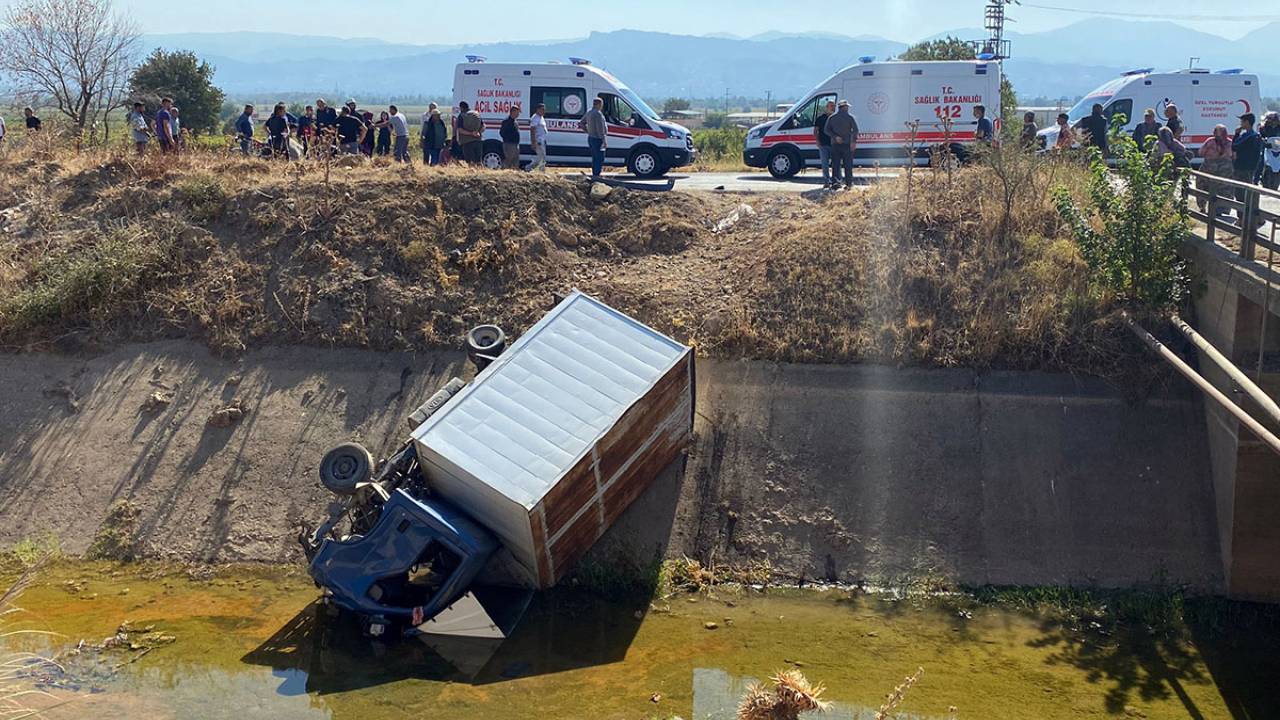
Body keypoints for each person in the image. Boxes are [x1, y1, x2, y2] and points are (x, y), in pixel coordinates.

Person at [1232, 112, 1263, 225]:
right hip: (1250, 169)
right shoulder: (1256, 136)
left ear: (1247, 122)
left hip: (1243, 169)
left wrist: (1236, 134)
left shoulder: (1248, 136)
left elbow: (1234, 146)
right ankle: (1258, 217)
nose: (1240, 123)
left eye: (1242, 121)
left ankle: (1242, 219)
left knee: (1240, 194)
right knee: (1248, 193)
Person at [1197, 124, 1234, 213]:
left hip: (1211, 168)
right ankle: (1223, 209)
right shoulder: (1230, 143)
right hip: (1224, 169)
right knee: (1225, 189)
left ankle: (1204, 207)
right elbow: (1233, 156)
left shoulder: (1210, 141)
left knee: (1204, 186)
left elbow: (1201, 152)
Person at [823, 99, 859, 190]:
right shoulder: (850, 117)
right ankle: (849, 184)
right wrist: (853, 142)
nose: (847, 108)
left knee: (835, 165)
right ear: (845, 107)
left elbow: (826, 130)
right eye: (847, 107)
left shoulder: (831, 117)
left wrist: (835, 137)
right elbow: (855, 131)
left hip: (835, 144)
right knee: (848, 165)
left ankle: (836, 183)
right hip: (847, 145)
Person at [580, 97, 608, 178]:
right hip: (598, 139)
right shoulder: (598, 113)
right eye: (601, 104)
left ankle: (595, 173)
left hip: (591, 138)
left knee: (594, 157)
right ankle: (597, 175)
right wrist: (604, 140)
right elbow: (600, 129)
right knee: (600, 158)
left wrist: (588, 131)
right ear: (599, 104)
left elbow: (581, 123)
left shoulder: (589, 112)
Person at [814, 99, 835, 188]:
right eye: (831, 106)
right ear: (826, 107)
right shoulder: (820, 118)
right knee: (825, 164)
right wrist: (817, 141)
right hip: (823, 144)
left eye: (834, 106)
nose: (833, 108)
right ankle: (826, 181)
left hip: (834, 145)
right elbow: (815, 131)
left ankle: (835, 181)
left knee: (835, 164)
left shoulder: (836, 118)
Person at [457, 101, 485, 165]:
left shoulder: (461, 116)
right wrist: (478, 132)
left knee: (470, 162)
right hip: (478, 141)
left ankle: (472, 174)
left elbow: (460, 130)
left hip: (467, 142)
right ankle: (480, 173)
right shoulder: (476, 114)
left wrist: (471, 133)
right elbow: (483, 126)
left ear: (461, 108)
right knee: (478, 161)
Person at [529, 103, 549, 171]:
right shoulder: (535, 118)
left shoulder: (541, 117)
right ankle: (539, 170)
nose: (544, 111)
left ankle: (530, 168)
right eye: (542, 109)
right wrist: (533, 142)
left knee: (541, 157)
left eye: (544, 110)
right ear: (538, 110)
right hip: (538, 141)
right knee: (541, 157)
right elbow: (532, 130)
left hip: (542, 140)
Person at [500, 105, 521, 169]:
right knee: (508, 160)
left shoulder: (515, 122)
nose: (518, 114)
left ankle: (514, 173)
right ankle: (503, 171)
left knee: (515, 161)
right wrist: (509, 139)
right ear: (513, 112)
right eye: (517, 112)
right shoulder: (506, 121)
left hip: (515, 144)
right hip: (509, 144)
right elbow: (502, 133)